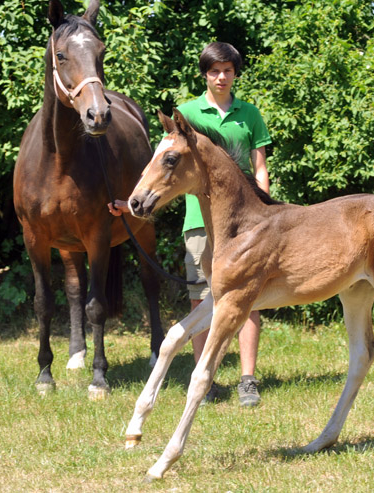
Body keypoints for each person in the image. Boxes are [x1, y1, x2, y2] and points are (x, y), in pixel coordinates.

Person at [109, 42, 271, 407]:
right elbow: (166, 173)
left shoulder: (250, 114)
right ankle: (206, 378)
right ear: (205, 75)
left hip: (249, 222)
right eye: (215, 71)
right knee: (201, 297)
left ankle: (248, 379)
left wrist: (266, 212)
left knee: (249, 297)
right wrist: (132, 204)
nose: (221, 76)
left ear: (235, 73)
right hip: (200, 222)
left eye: (228, 70)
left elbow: (260, 168)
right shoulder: (185, 115)